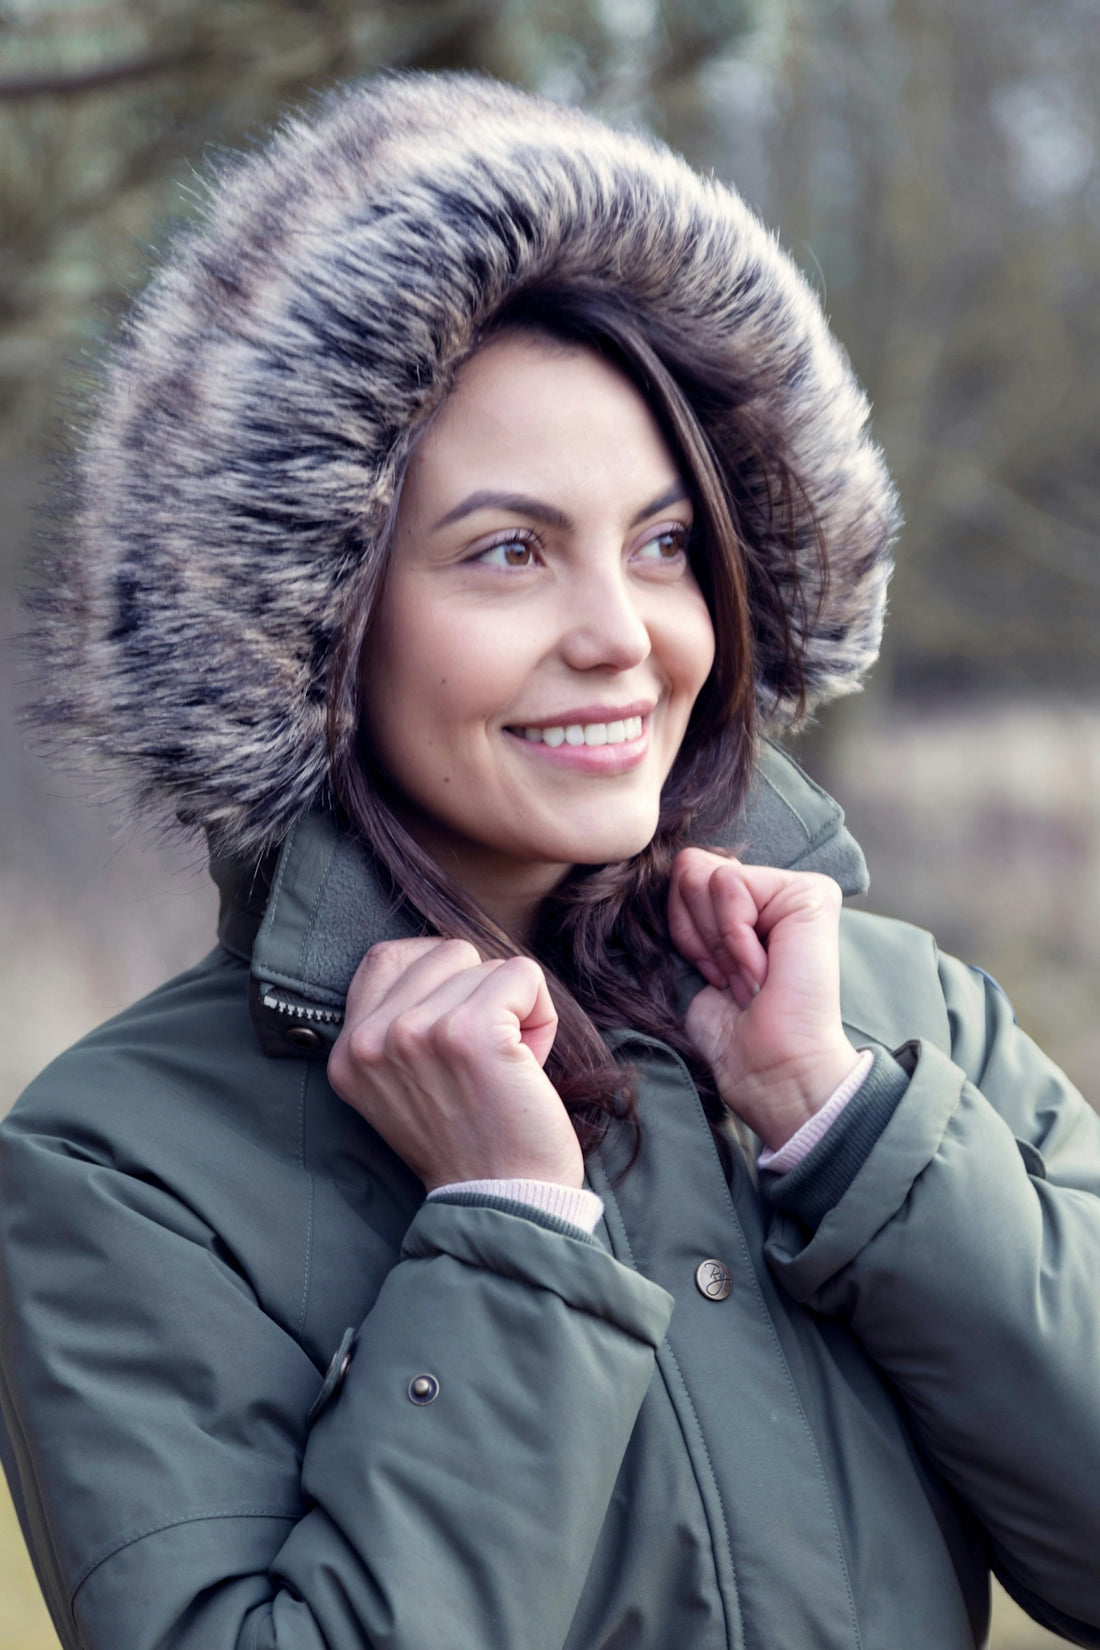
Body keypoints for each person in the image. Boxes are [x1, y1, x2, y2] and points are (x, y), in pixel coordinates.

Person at [2, 71, 1098, 1650]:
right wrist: (508, 1229)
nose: (622, 637)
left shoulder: (899, 1020)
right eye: (508, 551)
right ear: (314, 621)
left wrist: (844, 1137)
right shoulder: (126, 1165)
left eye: (663, 544)